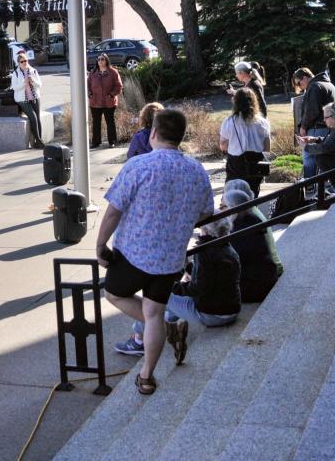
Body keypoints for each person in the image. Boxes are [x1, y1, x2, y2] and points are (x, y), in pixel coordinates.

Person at [96, 109, 214, 395]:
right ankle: (146, 376)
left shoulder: (138, 166)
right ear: (181, 136)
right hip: (171, 258)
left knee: (114, 293)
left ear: (153, 133)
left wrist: (100, 245)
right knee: (153, 311)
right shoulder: (196, 170)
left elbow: (113, 212)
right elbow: (204, 213)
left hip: (134, 254)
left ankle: (160, 334)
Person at [115, 218, 241, 365]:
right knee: (170, 300)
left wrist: (171, 287)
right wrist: (188, 269)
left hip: (213, 314)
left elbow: (196, 289)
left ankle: (138, 340)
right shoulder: (226, 247)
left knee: (155, 297)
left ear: (206, 230)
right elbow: (209, 277)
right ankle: (167, 323)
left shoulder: (205, 251)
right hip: (231, 309)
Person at [222, 189, 284, 302]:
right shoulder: (254, 220)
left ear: (233, 208)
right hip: (268, 279)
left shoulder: (236, 231)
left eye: (223, 207)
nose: (220, 210)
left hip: (254, 289)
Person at [220, 87, 272, 197]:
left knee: (233, 197)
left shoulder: (229, 122)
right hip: (256, 163)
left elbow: (223, 146)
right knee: (253, 196)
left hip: (236, 164)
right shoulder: (263, 122)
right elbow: (267, 148)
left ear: (235, 102)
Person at [293, 67, 335, 179]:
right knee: (323, 159)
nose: (299, 87)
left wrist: (303, 127)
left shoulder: (314, 86)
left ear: (304, 78)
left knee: (308, 158)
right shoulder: (329, 84)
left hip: (316, 128)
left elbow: (311, 111)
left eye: (299, 83)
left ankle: (309, 186)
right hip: (329, 128)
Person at [88, 53, 123, 148]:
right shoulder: (93, 73)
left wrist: (111, 95)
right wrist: (90, 94)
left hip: (109, 102)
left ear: (106, 60)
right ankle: (96, 142)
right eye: (98, 59)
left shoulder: (113, 72)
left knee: (110, 122)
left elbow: (119, 86)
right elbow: (87, 85)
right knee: (96, 123)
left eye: (102, 59)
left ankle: (112, 141)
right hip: (95, 102)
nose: (100, 61)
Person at [11, 51, 45, 148]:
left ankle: (39, 140)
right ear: (18, 63)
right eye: (22, 61)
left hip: (34, 97)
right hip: (22, 100)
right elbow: (15, 88)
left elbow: (40, 85)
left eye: (25, 60)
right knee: (33, 117)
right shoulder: (16, 74)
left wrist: (32, 81)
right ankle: (37, 141)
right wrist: (24, 83)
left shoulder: (33, 71)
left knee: (38, 118)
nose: (24, 63)